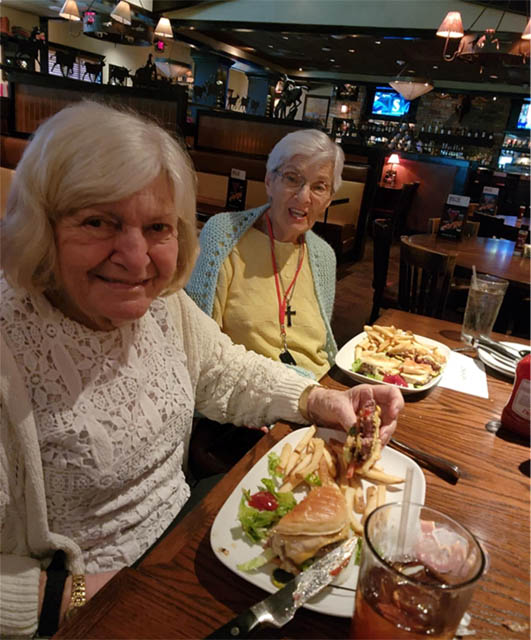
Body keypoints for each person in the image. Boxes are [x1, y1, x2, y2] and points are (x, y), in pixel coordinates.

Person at [0, 101, 403, 638]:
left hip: (193, 536)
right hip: (91, 602)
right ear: (40, 223)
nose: (136, 256)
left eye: (158, 226)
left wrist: (316, 399)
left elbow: (225, 371)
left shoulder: (161, 302)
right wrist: (69, 597)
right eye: (98, 221)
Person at [187, 128, 344, 380]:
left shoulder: (324, 257)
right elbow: (200, 346)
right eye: (292, 178)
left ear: (328, 200)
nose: (304, 197)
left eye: (319, 187)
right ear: (269, 181)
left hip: (319, 392)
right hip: (250, 399)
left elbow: (321, 352)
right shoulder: (224, 236)